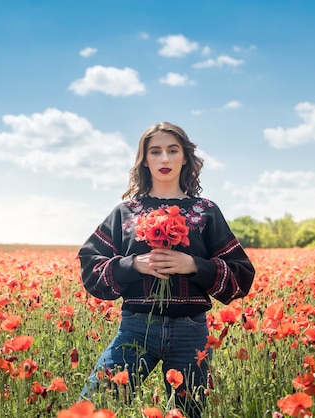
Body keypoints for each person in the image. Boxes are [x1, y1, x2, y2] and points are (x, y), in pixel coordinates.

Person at [78, 122, 255, 417]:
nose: (164, 159)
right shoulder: (126, 212)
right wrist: (132, 264)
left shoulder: (205, 211)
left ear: (185, 157)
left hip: (192, 332)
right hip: (136, 327)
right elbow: (90, 265)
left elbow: (241, 275)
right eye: (155, 151)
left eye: (172, 151)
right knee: (96, 403)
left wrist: (194, 266)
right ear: (144, 160)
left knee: (186, 413)